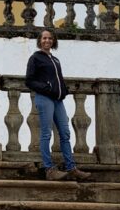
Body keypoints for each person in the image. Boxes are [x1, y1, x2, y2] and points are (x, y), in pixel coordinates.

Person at [25, 29, 91, 181]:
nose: (47, 41)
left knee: (65, 133)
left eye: (50, 38)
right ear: (40, 40)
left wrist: (64, 90)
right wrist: (47, 88)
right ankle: (49, 169)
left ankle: (71, 167)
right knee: (46, 134)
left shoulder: (55, 60)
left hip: (58, 100)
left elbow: (58, 79)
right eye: (44, 38)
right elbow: (29, 80)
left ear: (53, 41)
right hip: (44, 99)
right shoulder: (35, 58)